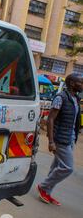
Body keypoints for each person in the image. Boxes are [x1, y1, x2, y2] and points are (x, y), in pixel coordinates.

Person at [37, 74, 83, 206]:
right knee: (67, 167)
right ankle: (43, 187)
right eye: (81, 82)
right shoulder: (60, 97)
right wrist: (51, 141)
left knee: (56, 166)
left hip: (70, 138)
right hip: (60, 139)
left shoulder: (75, 98)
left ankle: (46, 193)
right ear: (73, 83)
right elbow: (50, 119)